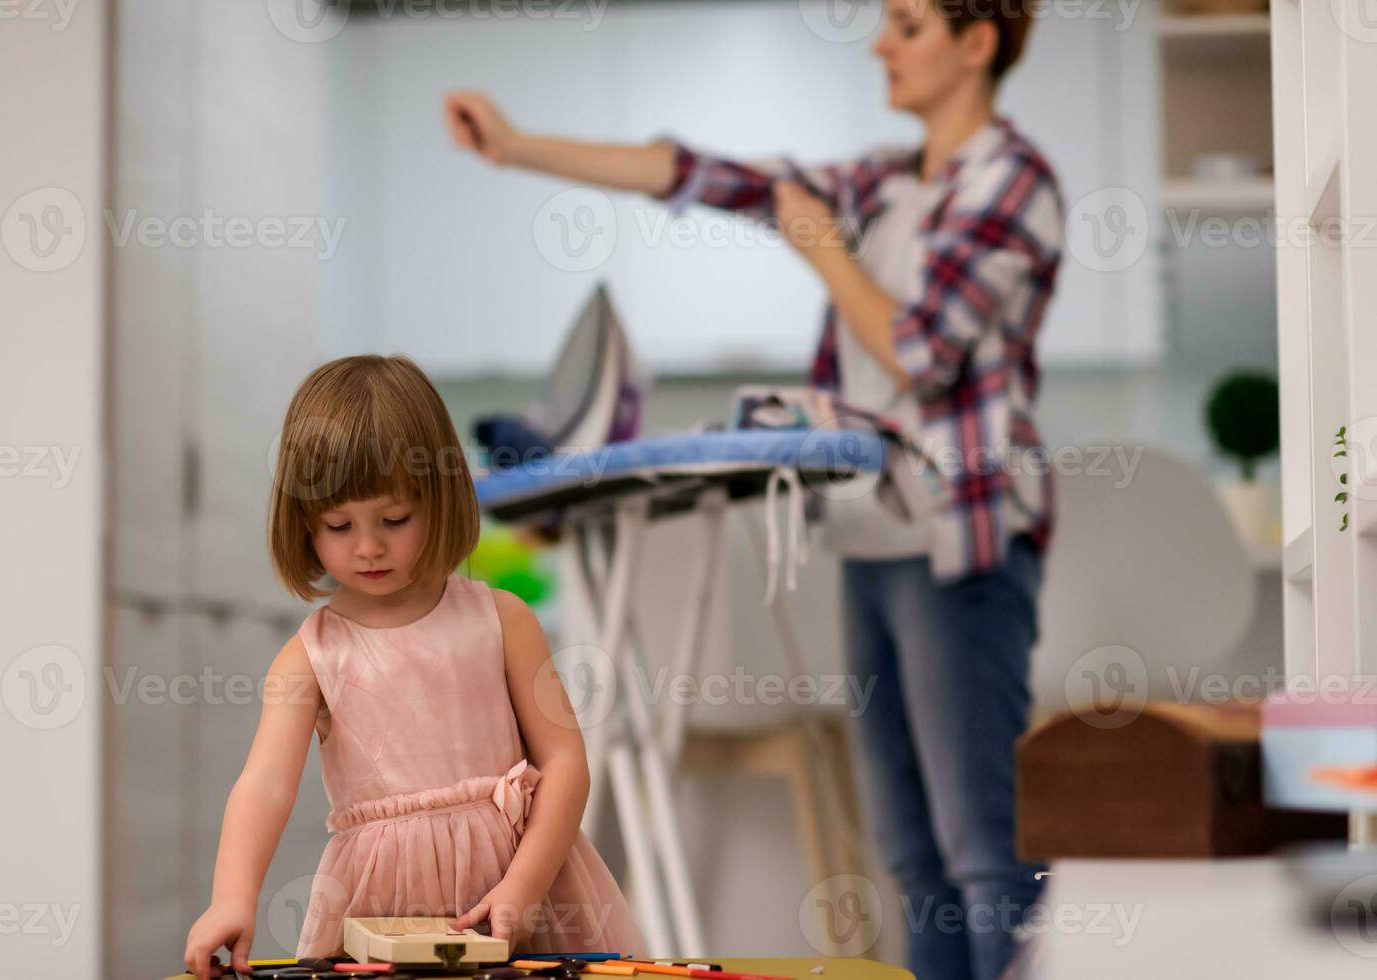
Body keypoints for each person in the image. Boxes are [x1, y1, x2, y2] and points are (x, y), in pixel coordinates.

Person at [443, 0, 1062, 976]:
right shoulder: (885, 183)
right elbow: (702, 175)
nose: (880, 43)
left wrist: (819, 244)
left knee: (983, 850)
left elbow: (919, 352)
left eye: (906, 25)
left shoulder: (1013, 181)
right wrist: (519, 147)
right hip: (873, 537)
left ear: (975, 43)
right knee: (910, 850)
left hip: (960, 542)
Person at [183, 355, 647, 978]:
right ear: (303, 525)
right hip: (380, 910)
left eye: (394, 519)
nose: (369, 546)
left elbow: (565, 764)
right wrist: (231, 899)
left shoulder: (502, 620)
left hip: (523, 888)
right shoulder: (310, 655)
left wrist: (524, 889)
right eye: (339, 525)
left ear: (440, 500)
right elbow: (265, 785)